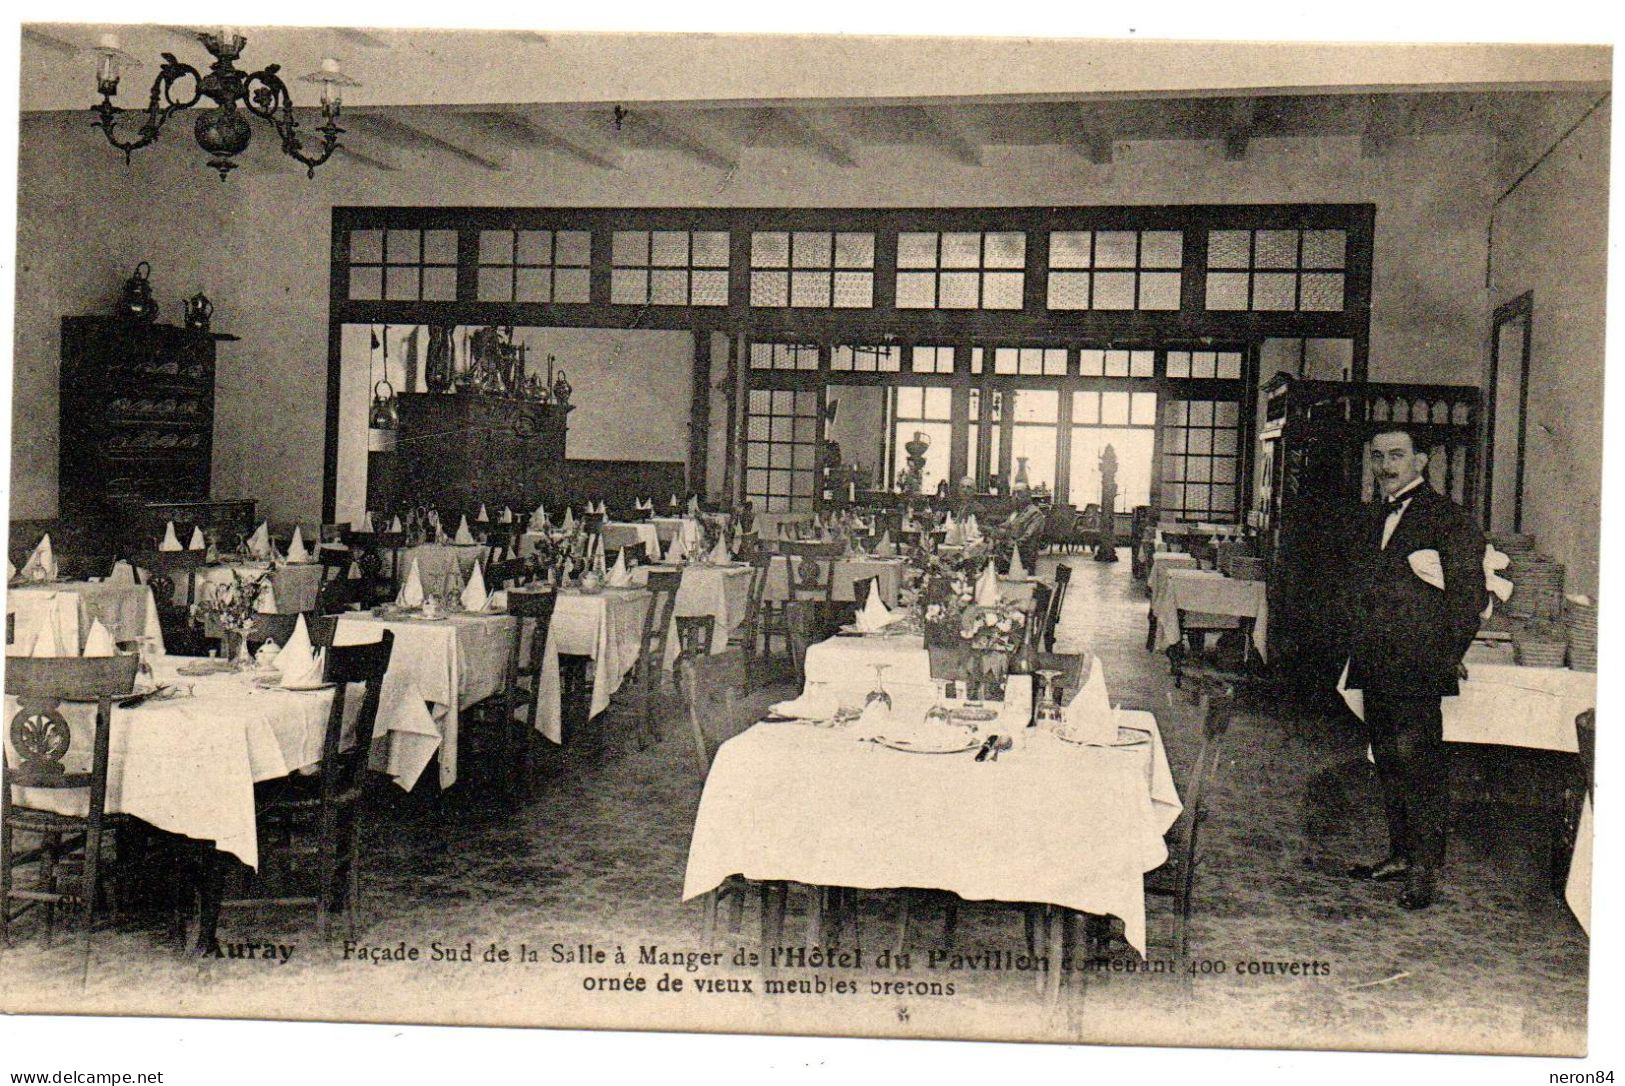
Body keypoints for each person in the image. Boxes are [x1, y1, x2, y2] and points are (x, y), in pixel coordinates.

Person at [1341, 424, 1485, 910]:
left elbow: (1469, 600)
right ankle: (1401, 854)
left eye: (1397, 455)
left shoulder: (1450, 520)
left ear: (1421, 461)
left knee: (1420, 765)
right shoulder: (1370, 516)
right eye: (1378, 455)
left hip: (1418, 666)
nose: (1385, 465)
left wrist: (1445, 656)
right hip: (1376, 660)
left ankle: (1425, 870)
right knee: (1387, 758)